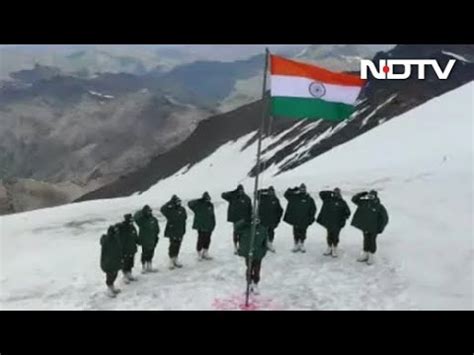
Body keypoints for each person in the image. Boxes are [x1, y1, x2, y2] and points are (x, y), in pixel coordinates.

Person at [351, 190, 389, 265]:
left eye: (372, 196)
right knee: (366, 240)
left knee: (372, 241)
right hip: (365, 226)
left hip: (374, 228)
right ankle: (365, 254)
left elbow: (385, 218)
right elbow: (354, 199)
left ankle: (371, 256)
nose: (370, 197)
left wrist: (380, 228)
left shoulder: (379, 206)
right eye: (369, 196)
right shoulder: (364, 203)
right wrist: (362, 193)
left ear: (375, 197)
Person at [236, 217, 268, 295]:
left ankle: (255, 283)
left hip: (258, 254)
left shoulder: (262, 229)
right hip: (248, 253)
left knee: (257, 269)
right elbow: (236, 228)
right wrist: (244, 221)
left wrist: (263, 252)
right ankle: (249, 283)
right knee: (249, 268)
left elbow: (265, 242)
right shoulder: (246, 228)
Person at [317, 188, 351, 257]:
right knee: (329, 235)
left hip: (338, 223)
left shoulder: (342, 202)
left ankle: (335, 248)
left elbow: (348, 212)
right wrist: (330, 192)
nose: (336, 194)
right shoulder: (327, 199)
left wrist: (344, 218)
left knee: (335, 236)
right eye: (335, 193)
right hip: (329, 222)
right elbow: (321, 193)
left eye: (337, 193)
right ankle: (329, 247)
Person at [283, 183, 317, 253]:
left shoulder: (309, 199)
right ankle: (296, 244)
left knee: (303, 232)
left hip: (304, 219)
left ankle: (301, 243)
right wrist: (293, 190)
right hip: (295, 218)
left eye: (303, 189)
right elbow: (286, 194)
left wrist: (310, 218)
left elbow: (313, 209)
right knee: (295, 231)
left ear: (305, 189)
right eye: (301, 189)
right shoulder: (294, 197)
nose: (302, 190)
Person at [221, 184, 252, 254]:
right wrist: (233, 192)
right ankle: (235, 246)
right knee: (236, 233)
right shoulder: (233, 196)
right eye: (239, 190)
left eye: (241, 190)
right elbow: (223, 195)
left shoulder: (247, 198)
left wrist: (250, 218)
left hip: (244, 219)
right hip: (235, 219)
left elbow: (250, 208)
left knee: (243, 233)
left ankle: (241, 246)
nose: (240, 191)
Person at [161, 195, 187, 269]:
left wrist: (183, 229)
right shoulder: (170, 209)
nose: (179, 203)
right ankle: (171, 260)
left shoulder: (182, 209)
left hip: (180, 229)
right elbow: (162, 209)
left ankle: (176, 259)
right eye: (177, 201)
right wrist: (169, 203)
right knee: (173, 245)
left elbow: (184, 218)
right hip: (172, 230)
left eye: (179, 201)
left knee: (178, 244)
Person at [188, 192, 216, 260]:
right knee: (201, 239)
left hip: (209, 225)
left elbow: (212, 215)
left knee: (208, 239)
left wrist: (213, 223)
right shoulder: (198, 204)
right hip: (201, 225)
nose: (207, 200)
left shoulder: (210, 205)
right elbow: (189, 203)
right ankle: (199, 252)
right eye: (206, 198)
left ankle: (205, 252)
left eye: (208, 198)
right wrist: (199, 200)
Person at [134, 205, 160, 273]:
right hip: (144, 239)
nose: (149, 212)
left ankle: (149, 265)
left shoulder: (153, 219)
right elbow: (135, 217)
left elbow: (157, 228)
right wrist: (141, 212)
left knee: (151, 252)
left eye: (150, 211)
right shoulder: (141, 220)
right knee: (144, 253)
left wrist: (156, 235)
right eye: (147, 211)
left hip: (152, 239)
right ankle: (143, 266)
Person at [258, 186, 283, 252]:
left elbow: (280, 210)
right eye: (269, 191)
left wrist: (278, 219)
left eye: (272, 191)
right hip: (263, 220)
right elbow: (256, 193)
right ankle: (262, 245)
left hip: (272, 220)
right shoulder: (262, 197)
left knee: (271, 232)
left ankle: (269, 244)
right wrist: (264, 190)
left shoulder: (275, 199)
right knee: (262, 232)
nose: (270, 192)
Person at [100, 225, 123, 298]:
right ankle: (109, 289)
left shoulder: (116, 238)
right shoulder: (107, 240)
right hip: (108, 261)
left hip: (116, 260)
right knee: (110, 276)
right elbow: (103, 241)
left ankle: (112, 287)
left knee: (115, 274)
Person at [118, 214, 139, 283]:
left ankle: (129, 273)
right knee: (125, 263)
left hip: (132, 247)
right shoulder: (121, 227)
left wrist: (137, 241)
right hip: (124, 249)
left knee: (131, 261)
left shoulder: (132, 227)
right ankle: (125, 275)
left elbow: (135, 235)